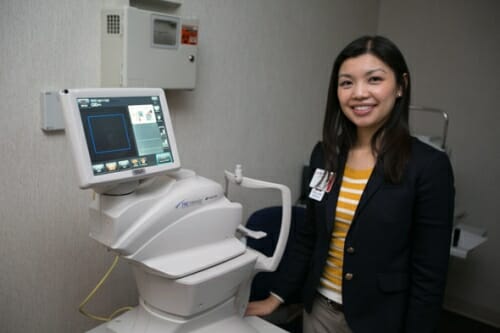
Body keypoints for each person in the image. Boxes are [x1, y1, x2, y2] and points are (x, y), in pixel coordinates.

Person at [245, 35, 455, 333]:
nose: (359, 93)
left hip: (381, 319)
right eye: (346, 83)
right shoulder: (326, 154)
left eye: (374, 79)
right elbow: (310, 236)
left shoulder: (429, 167)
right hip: (318, 311)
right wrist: (274, 298)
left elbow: (429, 274)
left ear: (401, 86)